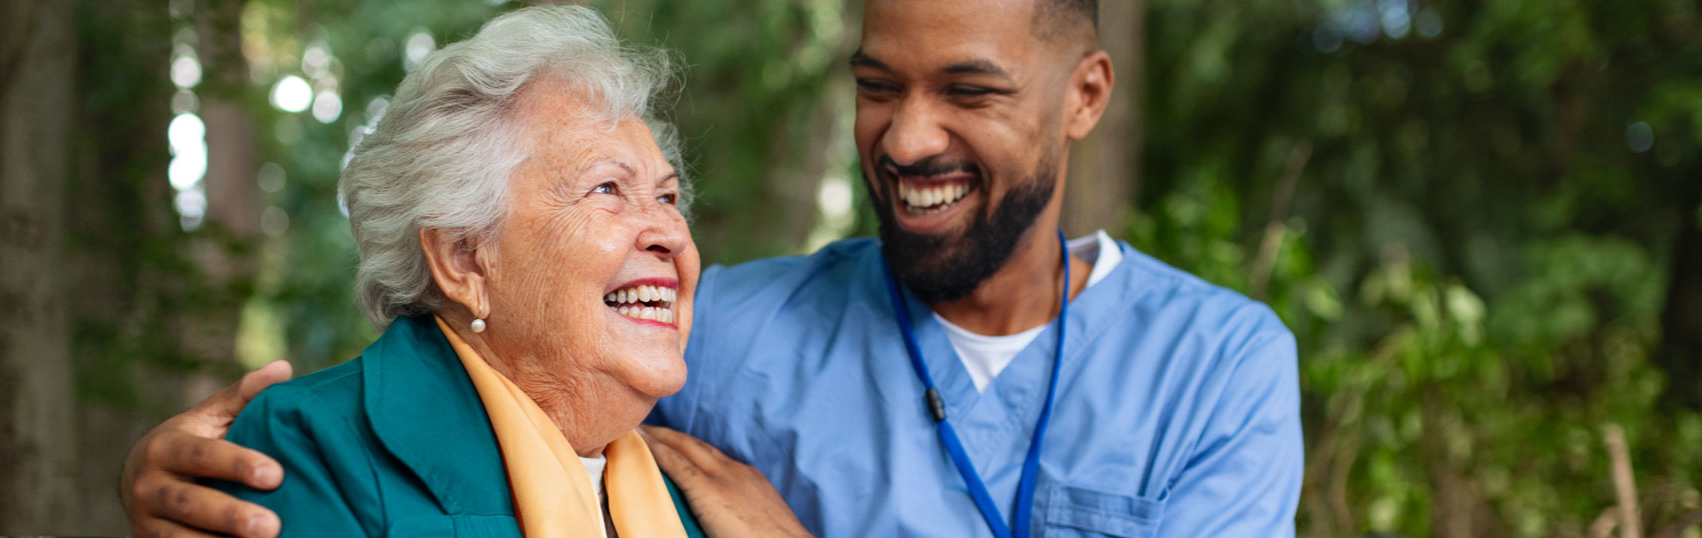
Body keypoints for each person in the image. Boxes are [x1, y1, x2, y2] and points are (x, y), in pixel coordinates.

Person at [121, 0, 1303, 536]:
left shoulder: (1225, 368)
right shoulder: (720, 333)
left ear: (1085, 96)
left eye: (971, 92)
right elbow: (476, 382)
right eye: (876, 86)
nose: (906, 138)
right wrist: (182, 471)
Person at [161, 6, 722, 537]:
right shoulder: (310, 448)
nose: (671, 234)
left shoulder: (697, 497)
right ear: (466, 259)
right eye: (607, 189)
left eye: (668, 196)